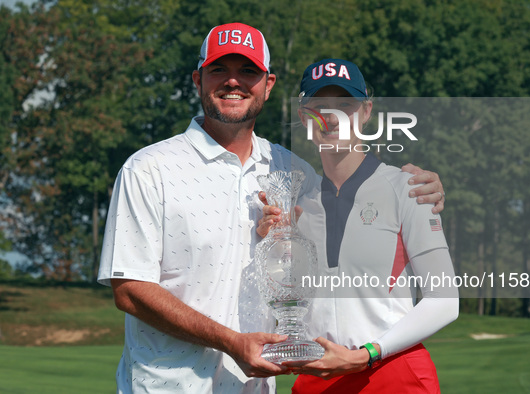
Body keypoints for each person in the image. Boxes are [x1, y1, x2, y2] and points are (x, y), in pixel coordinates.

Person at [98, 22, 446, 393]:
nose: (233, 82)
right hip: (167, 386)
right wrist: (232, 342)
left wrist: (424, 186)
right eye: (219, 70)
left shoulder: (293, 170)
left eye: (248, 71)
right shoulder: (150, 168)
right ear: (198, 80)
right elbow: (130, 289)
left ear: (268, 84)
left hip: (255, 387)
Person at [258, 59, 458, 393]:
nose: (332, 117)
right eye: (319, 107)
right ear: (304, 117)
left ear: (366, 112)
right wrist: (267, 243)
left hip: (391, 372)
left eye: (345, 106)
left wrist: (367, 355)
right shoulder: (297, 207)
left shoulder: (409, 188)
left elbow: (445, 300)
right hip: (316, 378)